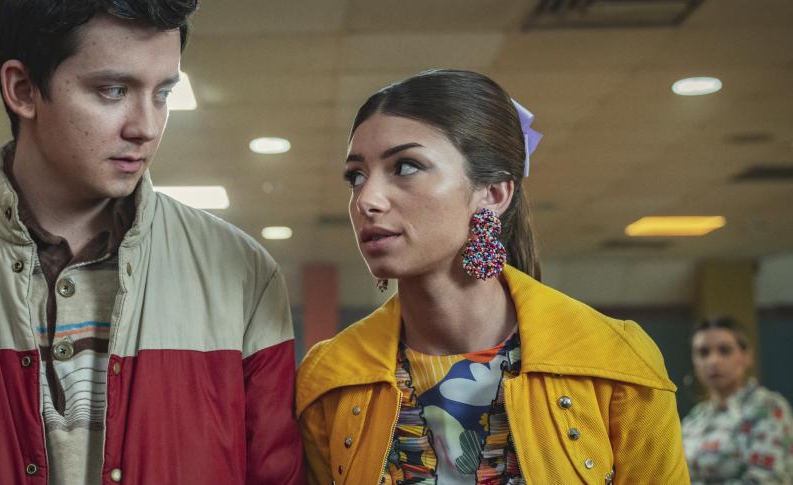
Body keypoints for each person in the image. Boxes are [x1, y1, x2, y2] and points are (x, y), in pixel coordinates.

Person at [0, 1, 304, 483]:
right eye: (112, 90)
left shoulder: (244, 278)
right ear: (21, 89)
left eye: (163, 93)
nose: (146, 127)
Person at [295, 69, 689, 484]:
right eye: (356, 176)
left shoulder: (613, 362)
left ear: (494, 194)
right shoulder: (331, 378)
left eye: (406, 167)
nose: (367, 200)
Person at [682, 317, 793, 483]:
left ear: (746, 356)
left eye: (724, 350)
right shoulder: (694, 419)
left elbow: (767, 479)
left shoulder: (768, 408)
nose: (713, 360)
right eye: (703, 352)